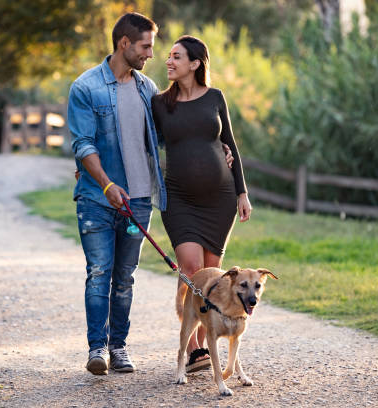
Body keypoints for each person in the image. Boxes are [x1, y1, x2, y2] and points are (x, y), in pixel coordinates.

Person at [68, 14, 233, 376]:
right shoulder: (85, 87)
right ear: (124, 44)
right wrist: (103, 180)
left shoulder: (147, 89)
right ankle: (98, 349)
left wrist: (213, 150)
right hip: (99, 199)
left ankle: (120, 348)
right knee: (100, 271)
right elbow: (83, 143)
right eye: (146, 47)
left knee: (125, 277)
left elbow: (172, 133)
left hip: (139, 200)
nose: (152, 55)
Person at [151, 35, 252, 373]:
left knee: (214, 277)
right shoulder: (160, 104)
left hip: (218, 201)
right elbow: (146, 145)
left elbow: (230, 145)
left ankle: (210, 339)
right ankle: (193, 348)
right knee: (190, 272)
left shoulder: (215, 98)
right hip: (179, 200)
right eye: (168, 56)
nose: (169, 61)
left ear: (194, 63)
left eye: (176, 57)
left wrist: (242, 192)